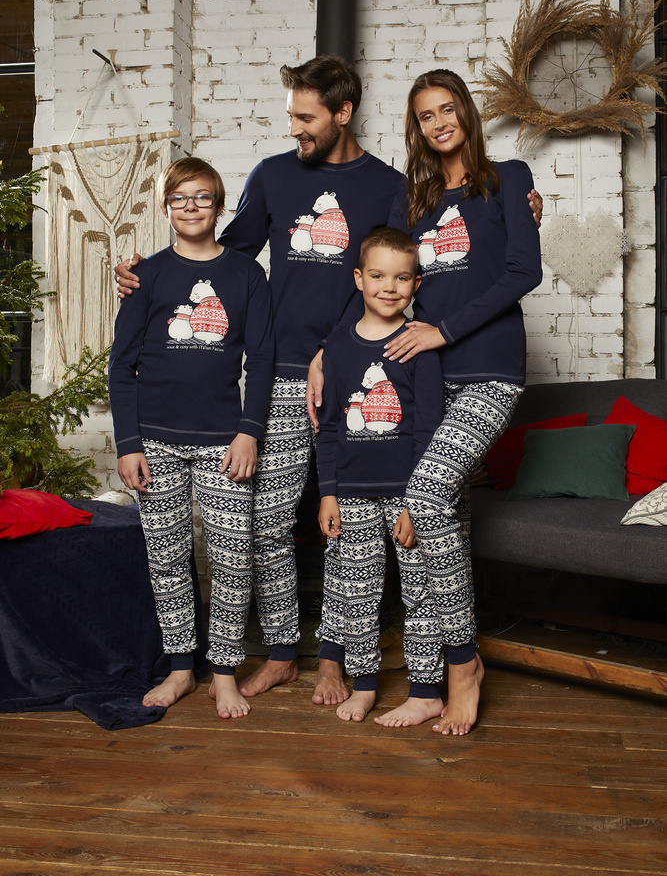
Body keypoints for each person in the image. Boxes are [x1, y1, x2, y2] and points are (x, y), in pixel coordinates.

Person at [115, 57, 543, 707]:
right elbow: (223, 255)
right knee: (268, 524)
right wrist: (147, 273)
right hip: (282, 374)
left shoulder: (397, 189)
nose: (294, 127)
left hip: (367, 368)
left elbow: (407, 276)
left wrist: (524, 208)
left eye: (304, 116)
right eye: (292, 115)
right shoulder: (276, 176)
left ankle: (354, 666)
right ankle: (284, 653)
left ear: (342, 114)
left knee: (371, 521)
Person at [374, 68, 542, 735]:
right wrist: (335, 350)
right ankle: (424, 685)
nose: (439, 122)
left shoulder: (509, 180)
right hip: (425, 376)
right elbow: (387, 286)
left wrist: (443, 329)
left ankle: (464, 665)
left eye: (448, 109)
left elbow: (523, 270)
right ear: (415, 128)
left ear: (466, 114)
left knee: (425, 495)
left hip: (488, 371)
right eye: (426, 115)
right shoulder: (410, 201)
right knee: (422, 524)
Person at [108, 157, 274, 719]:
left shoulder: (247, 275)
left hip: (224, 440)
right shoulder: (147, 275)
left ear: (219, 206)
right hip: (154, 441)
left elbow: (262, 361)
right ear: (165, 208)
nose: (191, 207)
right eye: (179, 198)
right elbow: (121, 366)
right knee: (168, 557)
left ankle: (223, 673)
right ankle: (181, 668)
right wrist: (128, 443)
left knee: (232, 558)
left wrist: (250, 431)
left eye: (202, 197)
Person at [316, 227, 444, 723]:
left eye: (401, 278)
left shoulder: (418, 344)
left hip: (406, 493)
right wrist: (328, 494)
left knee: (421, 592)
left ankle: (426, 688)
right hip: (351, 492)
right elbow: (329, 427)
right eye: (378, 276)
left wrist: (416, 500)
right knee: (357, 591)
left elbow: (428, 429)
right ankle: (364, 683)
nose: (389, 287)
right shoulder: (337, 347)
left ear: (416, 284)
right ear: (359, 279)